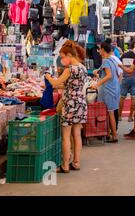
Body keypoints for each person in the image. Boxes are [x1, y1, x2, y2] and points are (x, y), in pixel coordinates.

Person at [45, 40, 87, 173]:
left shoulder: (70, 69)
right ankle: (76, 162)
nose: (62, 60)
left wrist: (48, 77)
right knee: (77, 135)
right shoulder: (83, 68)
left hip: (69, 104)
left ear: (69, 55)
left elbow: (55, 82)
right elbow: (72, 85)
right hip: (80, 102)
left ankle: (65, 165)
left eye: (63, 57)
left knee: (66, 136)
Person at [92, 42, 121, 143]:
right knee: (109, 112)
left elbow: (108, 75)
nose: (98, 51)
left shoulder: (106, 61)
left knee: (110, 112)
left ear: (103, 50)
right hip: (113, 88)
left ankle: (114, 135)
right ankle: (109, 133)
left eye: (99, 49)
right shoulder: (112, 60)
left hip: (108, 89)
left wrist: (97, 84)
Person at [119, 47, 135, 123]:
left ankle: (119, 116)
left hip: (125, 78)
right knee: (133, 97)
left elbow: (120, 64)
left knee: (122, 97)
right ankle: (130, 117)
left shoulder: (124, 55)